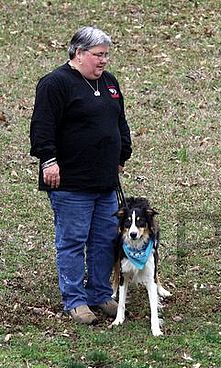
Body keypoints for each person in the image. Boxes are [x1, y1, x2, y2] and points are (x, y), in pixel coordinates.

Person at [30, 26, 132, 324]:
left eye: (106, 55)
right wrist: (49, 160)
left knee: (104, 240)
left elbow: (119, 122)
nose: (104, 62)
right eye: (98, 55)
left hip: (105, 182)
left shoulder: (110, 83)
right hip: (70, 182)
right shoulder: (55, 84)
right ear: (78, 53)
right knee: (73, 240)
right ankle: (75, 301)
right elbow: (42, 127)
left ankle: (100, 293)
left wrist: (122, 154)